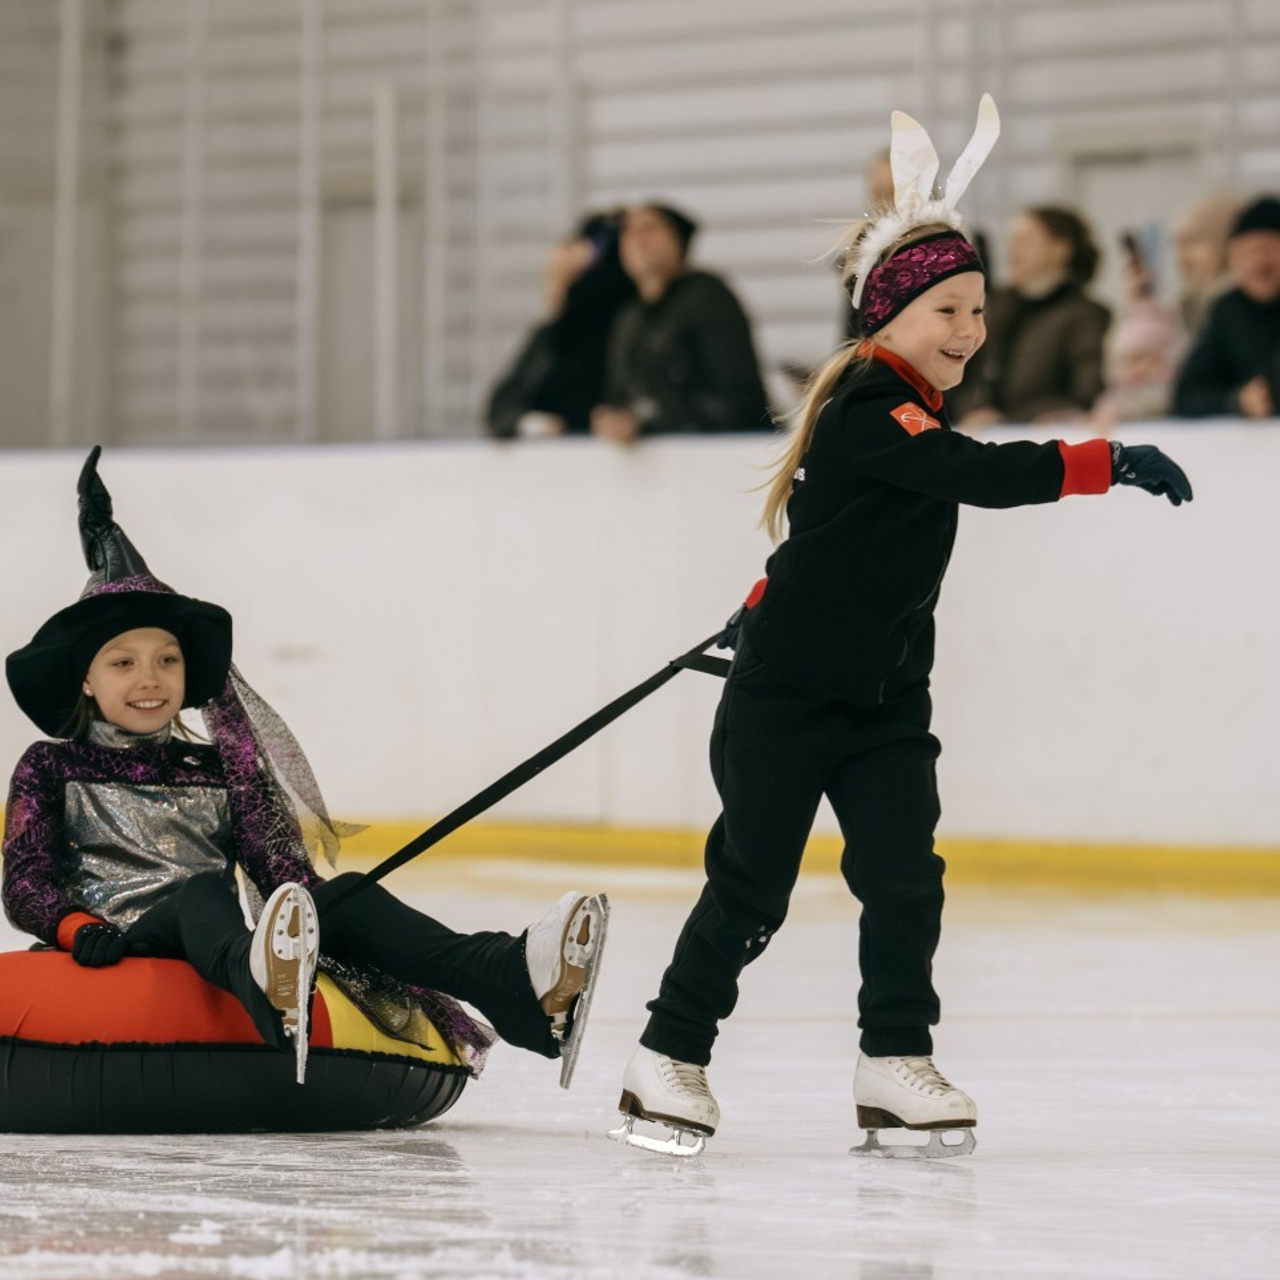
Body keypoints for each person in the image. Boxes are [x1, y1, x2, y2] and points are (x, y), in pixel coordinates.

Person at [610, 98, 1192, 1160]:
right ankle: (666, 1055)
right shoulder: (871, 409)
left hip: (882, 701)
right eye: (946, 314)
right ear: (885, 319)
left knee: (902, 877)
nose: (968, 332)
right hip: (786, 700)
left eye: (977, 312)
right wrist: (1100, 460)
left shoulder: (911, 404)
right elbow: (970, 476)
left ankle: (892, 1061)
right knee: (751, 887)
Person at [2, 449, 608, 1092]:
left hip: (211, 948)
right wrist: (77, 926)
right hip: (115, 945)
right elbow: (24, 881)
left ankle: (507, 975)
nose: (150, 680)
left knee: (339, 894)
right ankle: (259, 980)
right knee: (200, 895)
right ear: (87, 682)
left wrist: (322, 910)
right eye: (123, 664)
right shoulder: (52, 766)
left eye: (167, 661)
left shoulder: (222, 769)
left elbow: (285, 879)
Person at [591, 203, 772, 441]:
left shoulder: (707, 297)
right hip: (656, 461)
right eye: (628, 232)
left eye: (650, 229)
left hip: (722, 451)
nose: (636, 240)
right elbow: (619, 393)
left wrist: (650, 422)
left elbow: (737, 397)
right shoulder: (629, 316)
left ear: (679, 241)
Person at [953, 205, 1110, 427]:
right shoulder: (994, 306)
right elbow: (964, 376)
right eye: (1012, 241)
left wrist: (1010, 420)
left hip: (1046, 434)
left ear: (1060, 249)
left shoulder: (1086, 314)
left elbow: (1087, 390)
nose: (1013, 251)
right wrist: (974, 409)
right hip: (985, 433)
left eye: (1025, 240)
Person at [486, 210, 636, 438]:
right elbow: (501, 406)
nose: (552, 291)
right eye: (551, 277)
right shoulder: (548, 338)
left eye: (567, 279)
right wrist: (528, 423)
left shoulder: (627, 328)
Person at [1172, 195, 1280, 420]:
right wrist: (1237, 400)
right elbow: (1188, 394)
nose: (1258, 263)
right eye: (1246, 253)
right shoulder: (1228, 309)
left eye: (1267, 249)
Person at [1171, 192, 1243, 341]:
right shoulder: (1188, 306)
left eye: (1193, 241)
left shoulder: (1240, 307)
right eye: (1177, 245)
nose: (1182, 259)